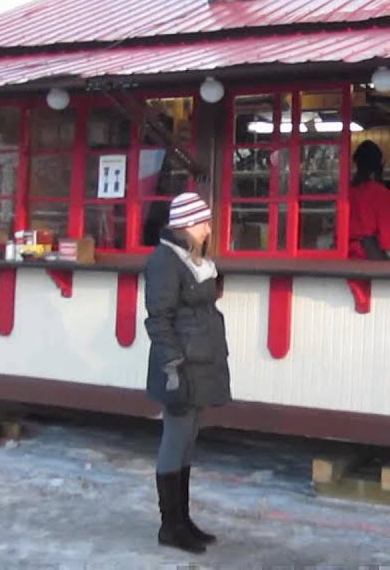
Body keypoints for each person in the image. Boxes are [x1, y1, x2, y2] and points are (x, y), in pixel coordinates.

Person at [143, 192, 230, 555]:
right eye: (203, 222)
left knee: (189, 439)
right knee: (175, 440)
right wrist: (173, 366)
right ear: (186, 224)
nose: (209, 228)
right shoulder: (165, 260)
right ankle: (170, 526)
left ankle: (183, 519)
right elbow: (158, 319)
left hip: (200, 361)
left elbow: (198, 302)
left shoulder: (193, 259)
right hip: (179, 365)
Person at [347, 140, 390, 260]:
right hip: (368, 254)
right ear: (378, 164)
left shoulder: (346, 190)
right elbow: (387, 235)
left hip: (343, 253)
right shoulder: (381, 193)